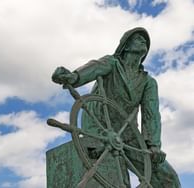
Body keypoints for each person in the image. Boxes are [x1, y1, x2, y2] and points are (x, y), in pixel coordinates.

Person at [52, 27, 181, 188]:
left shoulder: (148, 82)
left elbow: (151, 114)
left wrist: (154, 146)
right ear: (125, 46)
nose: (143, 41)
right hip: (99, 127)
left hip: (128, 134)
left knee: (168, 179)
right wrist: (74, 77)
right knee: (118, 177)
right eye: (138, 38)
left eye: (145, 40)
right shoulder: (111, 63)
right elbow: (94, 68)